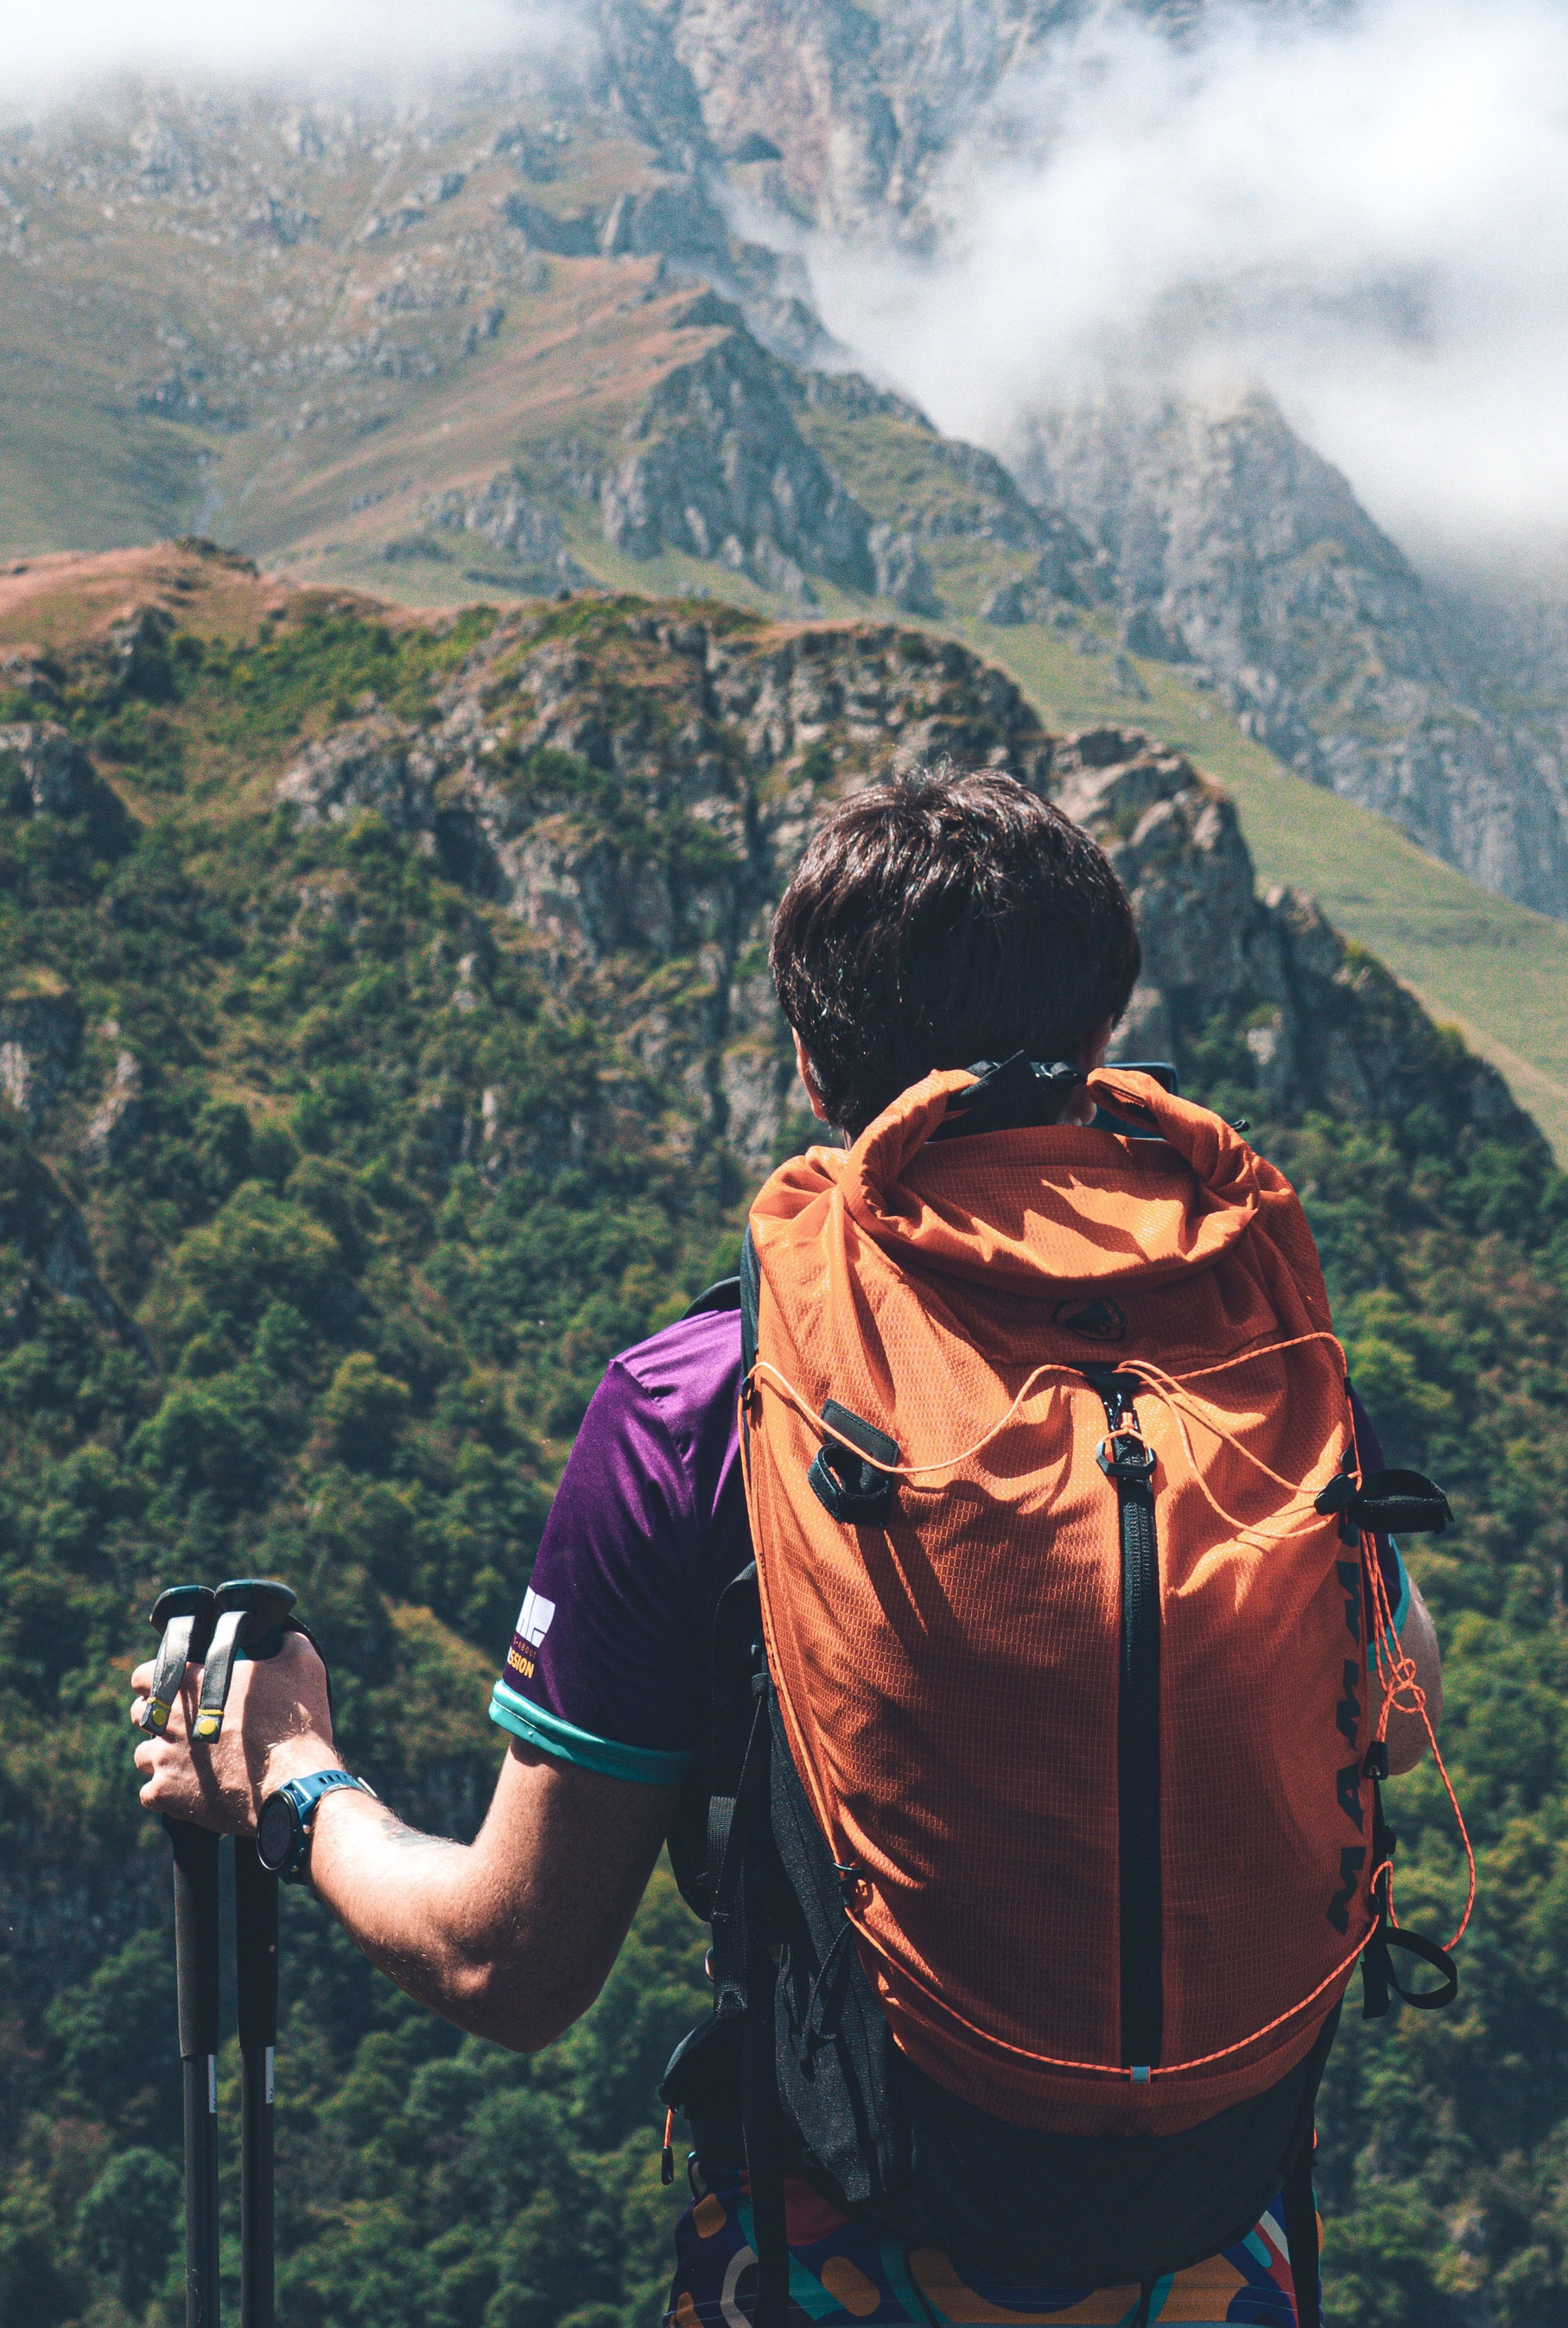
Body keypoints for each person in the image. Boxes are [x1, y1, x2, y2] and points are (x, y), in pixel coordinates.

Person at [134, 768, 1443, 2328]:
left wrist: (288, 1782)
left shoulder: (700, 1402)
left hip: (841, 2268)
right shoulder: (1256, 1353)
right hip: (1222, 2258)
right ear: (1104, 1033)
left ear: (817, 1068)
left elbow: (512, 1964)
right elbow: (1396, 1679)